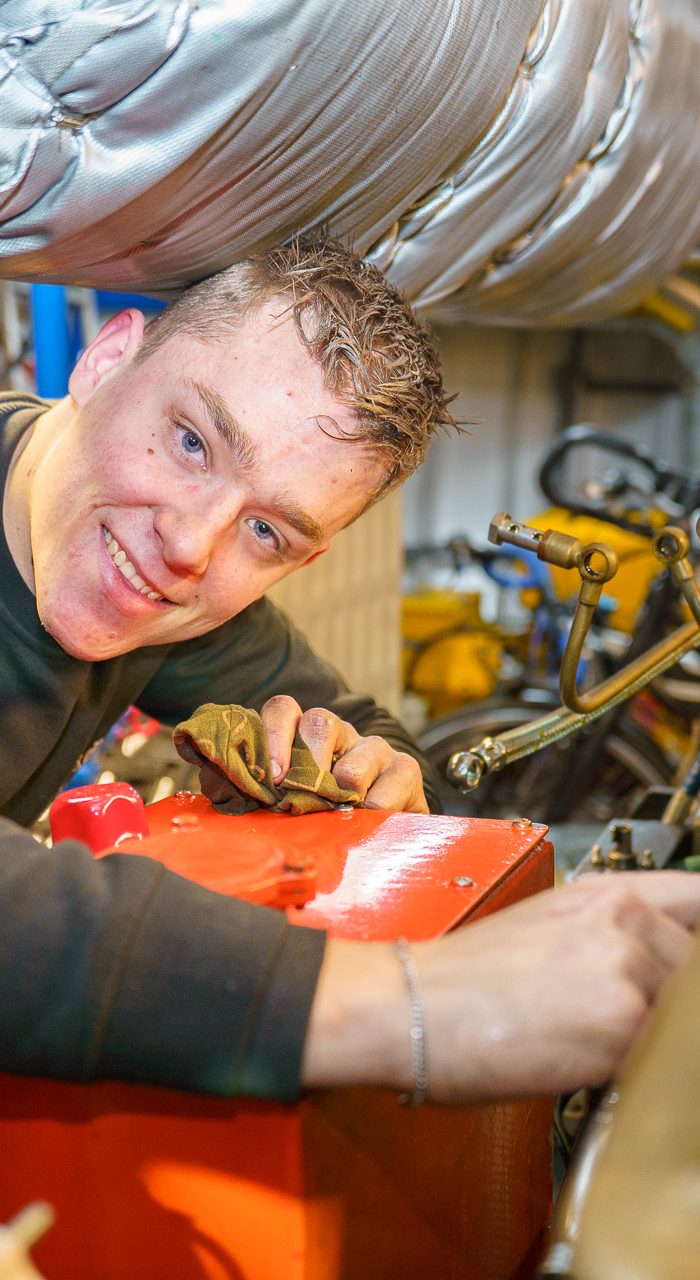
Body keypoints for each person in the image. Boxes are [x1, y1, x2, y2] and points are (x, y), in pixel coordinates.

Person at [1, 234, 699, 1105]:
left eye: (266, 533)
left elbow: (374, 733)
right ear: (105, 360)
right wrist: (421, 1006)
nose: (187, 544)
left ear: (305, 558)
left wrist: (368, 770)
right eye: (190, 441)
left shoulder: (161, 606)